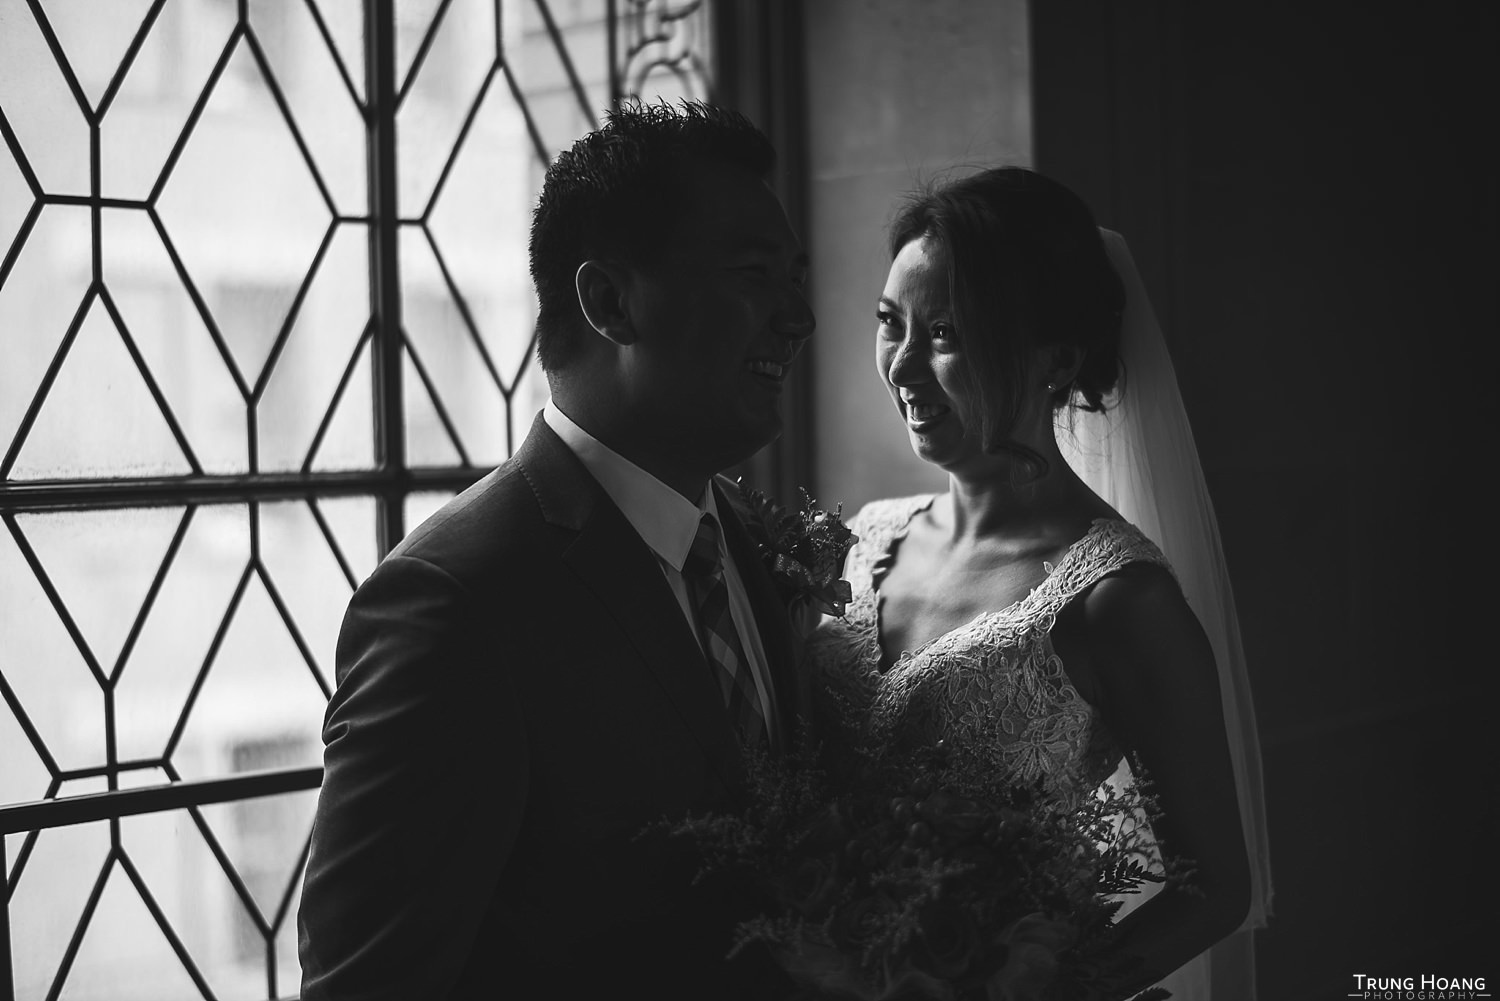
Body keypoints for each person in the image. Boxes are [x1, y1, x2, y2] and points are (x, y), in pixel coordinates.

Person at [297, 101, 815, 1000]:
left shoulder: (741, 537)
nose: (798, 317)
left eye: (794, 279)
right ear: (611, 301)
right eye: (753, 274)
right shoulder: (455, 605)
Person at [805, 166, 1271, 998]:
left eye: (945, 333)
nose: (903, 366)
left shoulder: (1118, 598)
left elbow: (1216, 889)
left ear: (1055, 359)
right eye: (889, 323)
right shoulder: (860, 536)